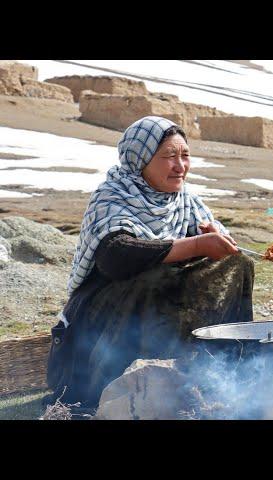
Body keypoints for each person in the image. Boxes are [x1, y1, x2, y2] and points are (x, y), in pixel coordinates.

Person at [46, 116, 254, 409]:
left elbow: (211, 241)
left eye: (185, 155)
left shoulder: (186, 202)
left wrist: (213, 239)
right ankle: (105, 390)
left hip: (159, 315)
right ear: (139, 159)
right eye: (169, 156)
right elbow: (117, 256)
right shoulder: (112, 196)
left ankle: (218, 373)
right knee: (154, 277)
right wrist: (194, 245)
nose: (180, 166)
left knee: (238, 264)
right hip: (105, 322)